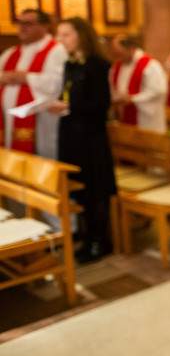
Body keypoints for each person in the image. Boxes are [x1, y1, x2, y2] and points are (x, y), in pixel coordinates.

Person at [48, 17, 117, 262]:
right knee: (80, 189)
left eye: (66, 34)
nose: (61, 40)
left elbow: (102, 104)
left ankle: (101, 241)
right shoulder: (71, 64)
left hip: (91, 136)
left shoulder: (98, 65)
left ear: (81, 35)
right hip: (72, 134)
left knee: (95, 189)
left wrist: (70, 106)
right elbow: (70, 95)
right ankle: (87, 238)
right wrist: (59, 104)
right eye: (59, 34)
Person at [0, 9, 67, 159]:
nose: (22, 27)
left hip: (41, 120)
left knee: (40, 159)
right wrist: (2, 79)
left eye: (28, 23)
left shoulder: (56, 50)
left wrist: (28, 78)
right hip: (8, 121)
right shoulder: (10, 53)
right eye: (19, 23)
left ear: (44, 27)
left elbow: (58, 83)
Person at [110, 34, 167, 132]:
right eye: (115, 54)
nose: (118, 58)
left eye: (120, 54)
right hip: (125, 118)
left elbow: (158, 91)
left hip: (146, 121)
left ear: (131, 49)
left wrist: (134, 99)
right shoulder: (118, 67)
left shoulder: (150, 65)